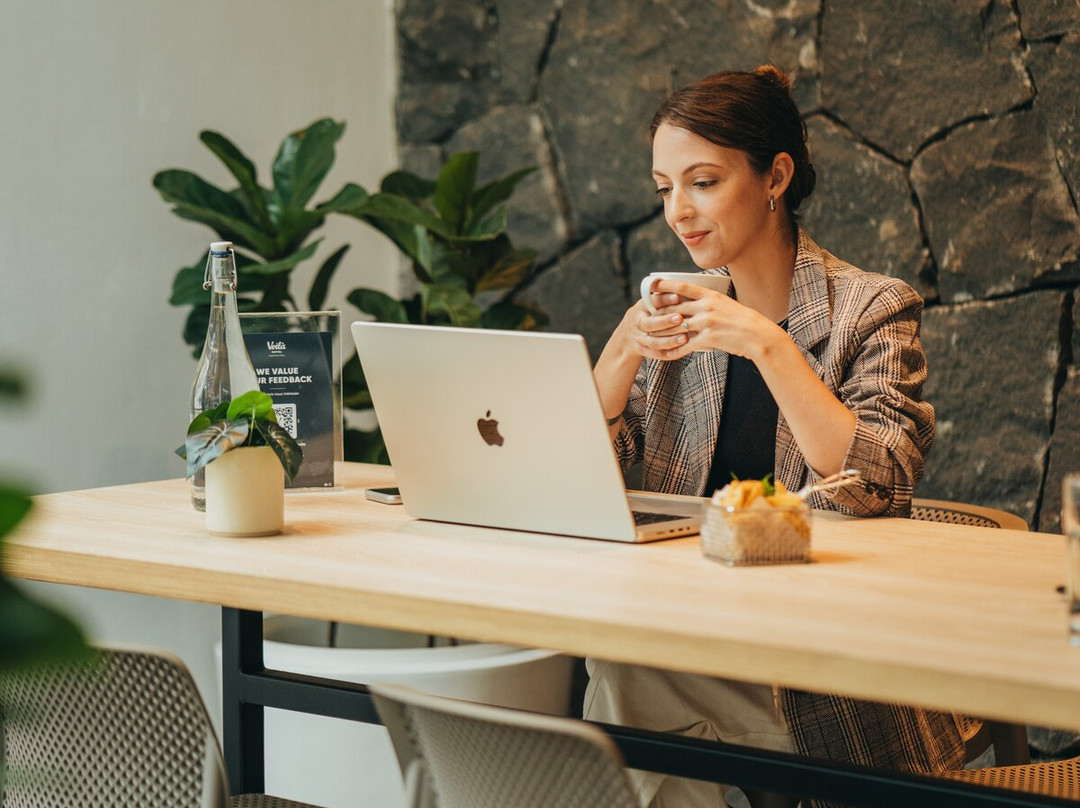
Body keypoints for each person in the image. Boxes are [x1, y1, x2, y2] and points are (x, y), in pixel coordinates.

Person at [585, 65, 964, 808]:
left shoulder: (871, 308)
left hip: (820, 667)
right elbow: (595, 479)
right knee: (626, 664)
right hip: (695, 634)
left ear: (775, 177)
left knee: (627, 680)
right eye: (664, 189)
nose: (678, 212)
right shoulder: (680, 319)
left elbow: (880, 480)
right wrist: (621, 354)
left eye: (702, 182)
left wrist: (768, 344)